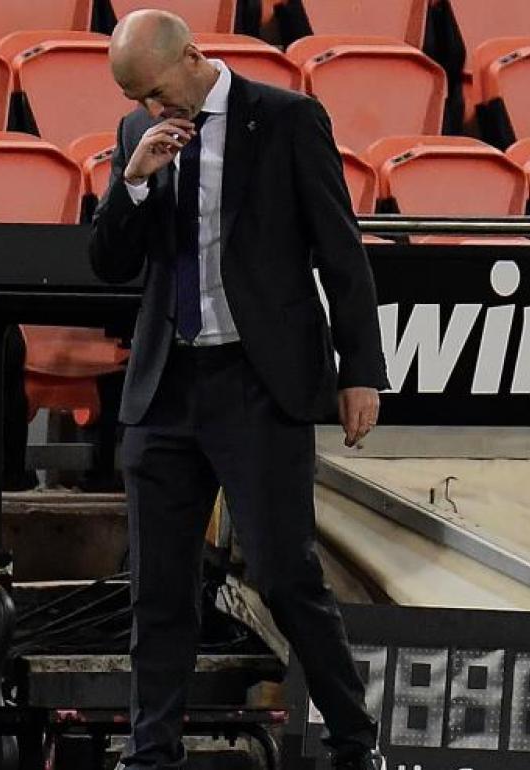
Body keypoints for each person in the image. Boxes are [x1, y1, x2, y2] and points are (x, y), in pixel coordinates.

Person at [88, 10, 389, 770]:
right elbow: (108, 262)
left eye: (157, 92)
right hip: (166, 385)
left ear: (193, 57)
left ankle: (355, 741)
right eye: (137, 100)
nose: (152, 110)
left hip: (258, 384)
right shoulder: (138, 137)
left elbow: (340, 251)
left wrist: (360, 370)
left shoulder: (285, 120)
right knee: (158, 586)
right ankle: (150, 753)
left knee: (287, 576)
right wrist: (134, 183)